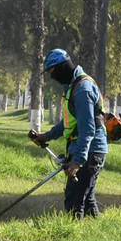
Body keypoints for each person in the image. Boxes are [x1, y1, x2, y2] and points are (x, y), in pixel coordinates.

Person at [29, 49, 107, 218]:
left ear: (62, 67)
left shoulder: (82, 90)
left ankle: (71, 240)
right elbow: (69, 122)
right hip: (87, 148)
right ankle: (95, 235)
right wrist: (46, 136)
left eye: (53, 72)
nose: (52, 77)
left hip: (90, 151)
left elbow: (87, 129)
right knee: (87, 201)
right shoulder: (73, 86)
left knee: (74, 201)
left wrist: (77, 161)